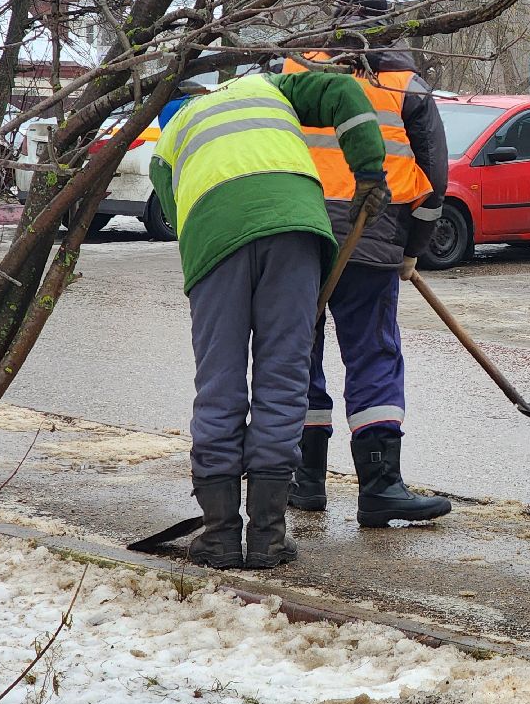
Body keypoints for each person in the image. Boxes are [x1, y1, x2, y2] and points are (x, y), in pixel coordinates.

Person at [149, 70, 387, 569]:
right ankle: (267, 537)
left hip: (215, 238)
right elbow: (344, 92)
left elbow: (174, 216)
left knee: (220, 383)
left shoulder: (170, 137)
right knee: (283, 381)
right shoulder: (270, 88)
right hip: (296, 226)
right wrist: (368, 173)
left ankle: (219, 535)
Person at [285, 0, 452, 527]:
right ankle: (380, 486)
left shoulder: (294, 70)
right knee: (374, 356)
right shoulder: (406, 84)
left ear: (334, 16)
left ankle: (302, 480)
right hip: (370, 235)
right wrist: (414, 249)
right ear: (390, 21)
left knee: (298, 356)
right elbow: (434, 179)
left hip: (301, 232)